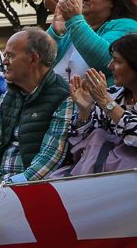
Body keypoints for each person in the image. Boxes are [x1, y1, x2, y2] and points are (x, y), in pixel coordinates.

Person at [0, 28, 72, 187]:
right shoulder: (8, 96)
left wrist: (5, 186)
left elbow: (51, 156)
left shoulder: (64, 96)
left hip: (29, 191)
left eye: (10, 55)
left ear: (33, 59)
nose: (4, 61)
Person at [53, 33, 137, 176]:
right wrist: (84, 111)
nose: (110, 66)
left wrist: (106, 103)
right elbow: (80, 144)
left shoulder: (106, 97)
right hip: (98, 178)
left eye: (117, 61)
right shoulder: (112, 94)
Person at [44, 0, 137, 84]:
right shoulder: (74, 27)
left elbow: (108, 59)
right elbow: (38, 60)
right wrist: (55, 33)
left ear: (114, 0)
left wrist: (74, 20)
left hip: (94, 100)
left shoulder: (127, 26)